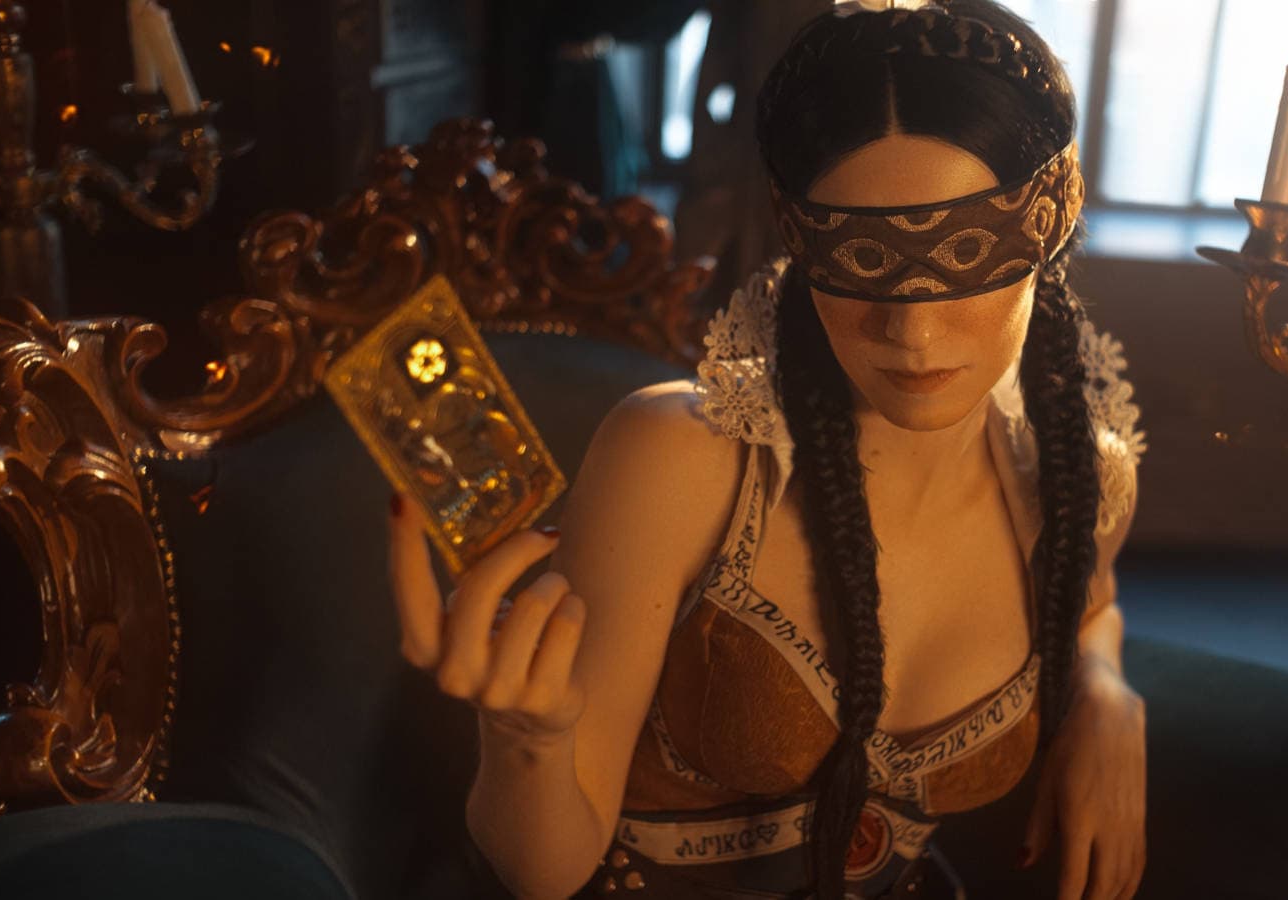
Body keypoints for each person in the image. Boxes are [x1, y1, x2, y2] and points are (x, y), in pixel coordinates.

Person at [387, 1, 1148, 897]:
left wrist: (1107, 695)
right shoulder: (682, 461)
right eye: (861, 258)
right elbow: (543, 875)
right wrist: (529, 737)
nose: (910, 331)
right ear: (796, 234)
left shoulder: (1076, 476)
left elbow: (1091, 607)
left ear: (1053, 218)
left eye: (967, 250)